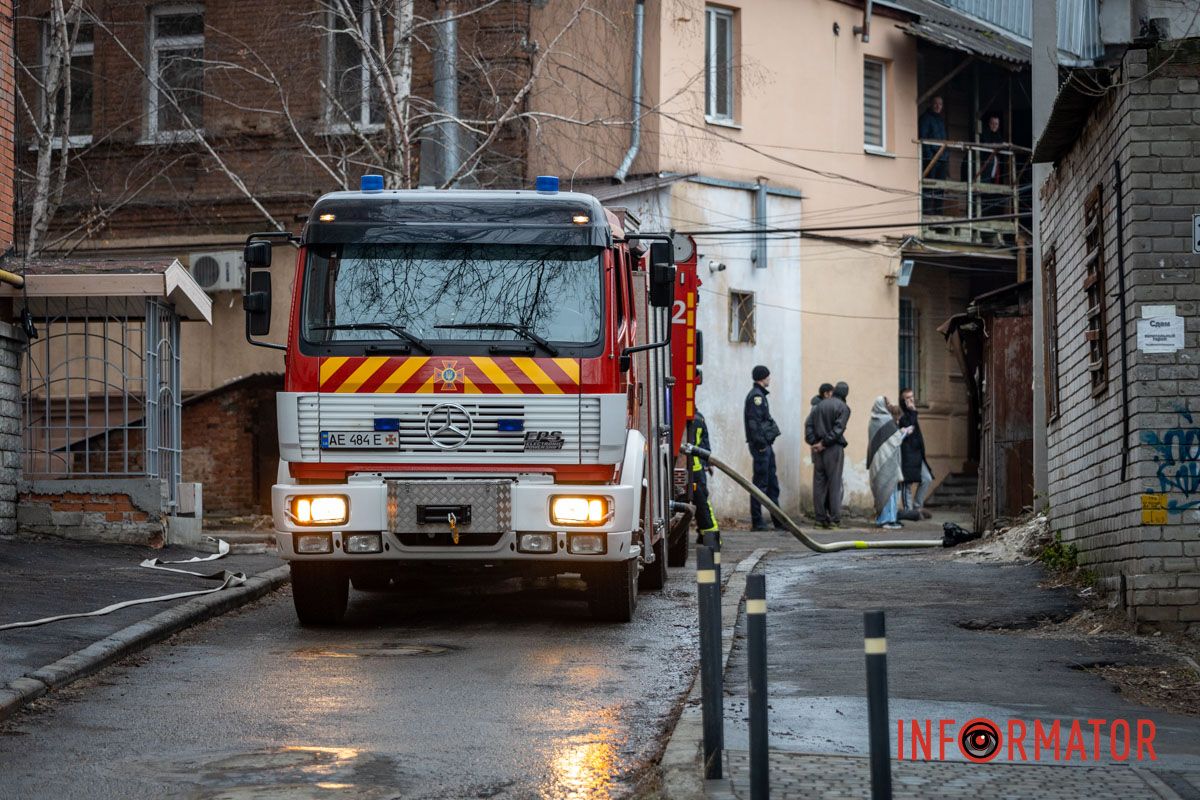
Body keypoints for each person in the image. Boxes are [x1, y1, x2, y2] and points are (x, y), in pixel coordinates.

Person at [744, 365, 784, 531]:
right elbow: (754, 423)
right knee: (760, 485)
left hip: (766, 446)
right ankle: (757, 521)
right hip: (762, 448)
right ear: (762, 377)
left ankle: (779, 521)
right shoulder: (756, 397)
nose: (770, 379)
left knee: (772, 484)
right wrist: (761, 445)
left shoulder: (760, 396)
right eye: (768, 376)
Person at [805, 381, 849, 529]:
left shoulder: (820, 404)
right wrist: (824, 443)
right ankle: (835, 520)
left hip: (818, 450)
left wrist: (814, 442)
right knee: (835, 484)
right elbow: (838, 429)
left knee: (819, 485)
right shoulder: (844, 407)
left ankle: (820, 519)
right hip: (833, 448)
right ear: (846, 394)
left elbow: (808, 424)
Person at [866, 396, 907, 530]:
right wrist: (904, 432)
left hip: (877, 461)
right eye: (886, 403)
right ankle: (886, 520)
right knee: (889, 490)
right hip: (887, 460)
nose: (889, 405)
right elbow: (896, 440)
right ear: (881, 405)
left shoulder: (872, 421)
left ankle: (889, 519)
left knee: (883, 489)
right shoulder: (887, 421)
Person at [899, 387, 934, 520]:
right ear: (903, 401)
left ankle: (917, 506)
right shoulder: (903, 415)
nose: (912, 400)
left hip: (918, 454)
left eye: (912, 396)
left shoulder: (912, 413)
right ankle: (908, 511)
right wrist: (913, 412)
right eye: (908, 398)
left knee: (927, 478)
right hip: (907, 455)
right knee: (907, 483)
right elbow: (910, 427)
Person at [688, 409, 720, 544]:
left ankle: (712, 539)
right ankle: (705, 536)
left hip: (695, 470)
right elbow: (705, 445)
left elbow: (695, 445)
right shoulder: (699, 418)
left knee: (702, 505)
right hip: (698, 469)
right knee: (702, 505)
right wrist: (707, 464)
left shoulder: (694, 421)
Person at [919, 96, 949, 216]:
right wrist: (930, 156)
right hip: (930, 159)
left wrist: (946, 155)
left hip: (941, 159)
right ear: (931, 104)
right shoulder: (925, 118)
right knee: (928, 186)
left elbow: (944, 140)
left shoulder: (941, 120)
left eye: (940, 104)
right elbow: (923, 138)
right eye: (936, 104)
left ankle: (938, 213)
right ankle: (927, 212)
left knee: (940, 188)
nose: (938, 106)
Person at [978, 113, 1007, 218]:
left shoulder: (998, 136)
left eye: (996, 124)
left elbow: (1001, 146)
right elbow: (986, 146)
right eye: (992, 123)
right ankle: (982, 215)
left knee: (992, 194)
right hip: (985, 166)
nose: (994, 126)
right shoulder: (985, 134)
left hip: (994, 170)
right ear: (989, 124)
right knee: (984, 192)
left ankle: (988, 215)